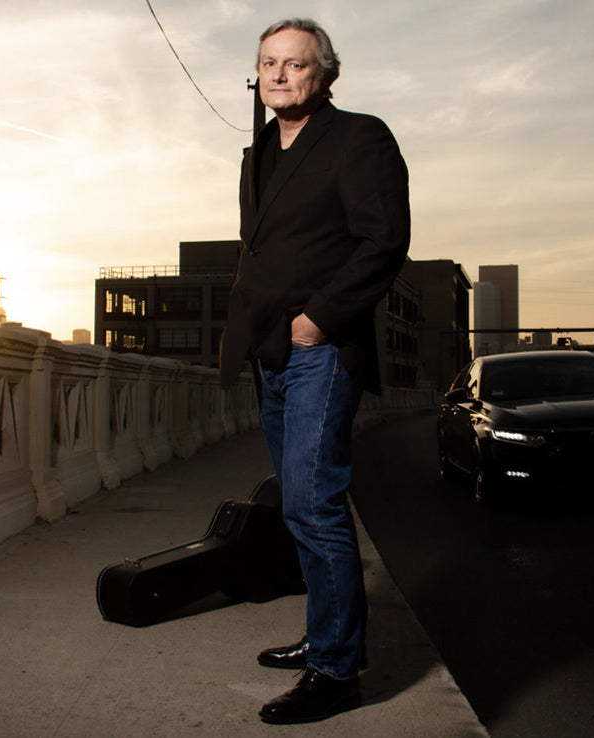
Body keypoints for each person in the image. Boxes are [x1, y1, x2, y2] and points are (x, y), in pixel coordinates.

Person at [219, 18, 410, 725]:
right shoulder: (260, 151)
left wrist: (318, 320)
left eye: (293, 65)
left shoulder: (361, 138)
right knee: (298, 508)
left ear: (323, 73)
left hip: (322, 350)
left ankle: (337, 672)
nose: (277, 75)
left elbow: (384, 240)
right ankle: (323, 635)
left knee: (314, 503)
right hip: (271, 350)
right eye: (267, 63)